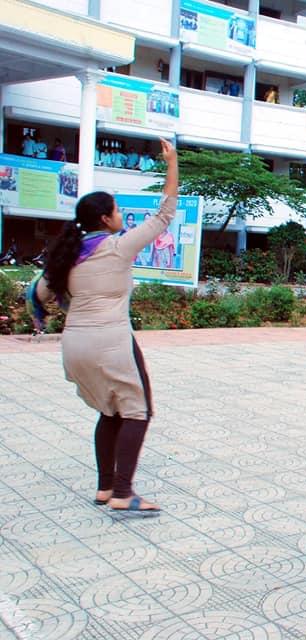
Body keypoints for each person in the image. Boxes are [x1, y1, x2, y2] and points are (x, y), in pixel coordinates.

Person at [26, 139, 179, 512]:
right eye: (115, 210)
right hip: (111, 342)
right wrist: (172, 161)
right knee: (137, 412)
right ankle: (124, 494)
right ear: (106, 219)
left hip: (75, 346)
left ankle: (104, 488)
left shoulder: (66, 257)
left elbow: (38, 296)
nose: (119, 214)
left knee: (110, 412)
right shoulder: (117, 246)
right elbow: (165, 212)